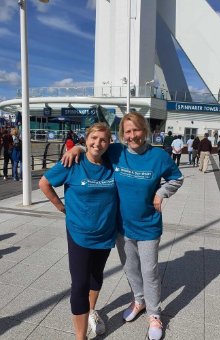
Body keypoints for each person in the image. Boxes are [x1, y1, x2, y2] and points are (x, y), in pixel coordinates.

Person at [62, 112, 184, 340]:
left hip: (148, 225)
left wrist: (161, 193)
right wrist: (76, 148)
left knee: (149, 272)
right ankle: (138, 300)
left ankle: (155, 314)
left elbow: (177, 177)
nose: (132, 135)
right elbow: (94, 147)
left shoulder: (158, 156)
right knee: (130, 269)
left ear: (145, 131)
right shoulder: (116, 152)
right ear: (122, 135)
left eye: (136, 129)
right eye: (127, 131)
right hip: (121, 226)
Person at [39, 123, 118, 340]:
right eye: (93, 138)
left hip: (105, 232)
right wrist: (60, 207)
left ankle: (92, 312)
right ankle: (80, 337)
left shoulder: (112, 161)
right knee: (80, 284)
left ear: (109, 142)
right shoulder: (72, 162)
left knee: (96, 277)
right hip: (79, 234)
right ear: (86, 138)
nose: (98, 143)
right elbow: (44, 182)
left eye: (103, 140)